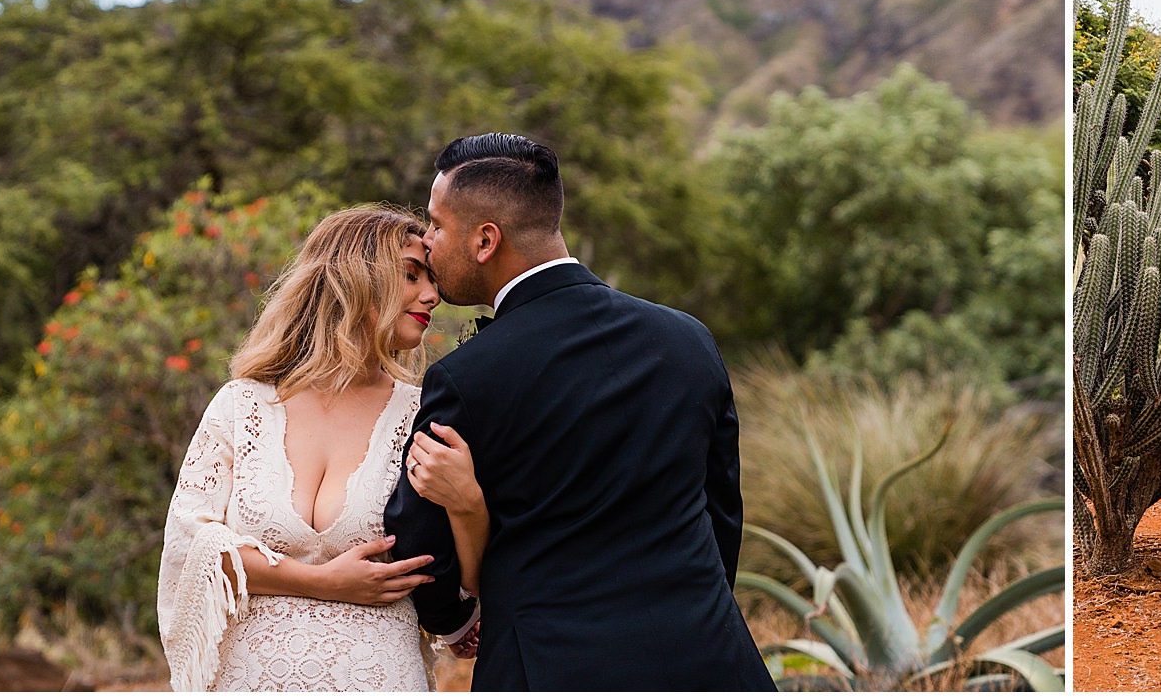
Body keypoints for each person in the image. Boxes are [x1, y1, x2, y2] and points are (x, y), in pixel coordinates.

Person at [384, 133, 775, 690]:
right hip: (710, 660)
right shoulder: (688, 340)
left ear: (485, 241)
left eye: (437, 225)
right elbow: (722, 515)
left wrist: (455, 622)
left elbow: (419, 540)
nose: (427, 242)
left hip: (547, 667)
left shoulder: (467, 377)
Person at [157, 205, 489, 690]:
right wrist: (323, 582)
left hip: (379, 676)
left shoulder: (423, 415)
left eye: (432, 278)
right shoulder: (241, 405)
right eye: (411, 275)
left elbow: (464, 581)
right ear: (355, 276)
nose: (432, 295)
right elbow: (192, 551)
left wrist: (470, 505)